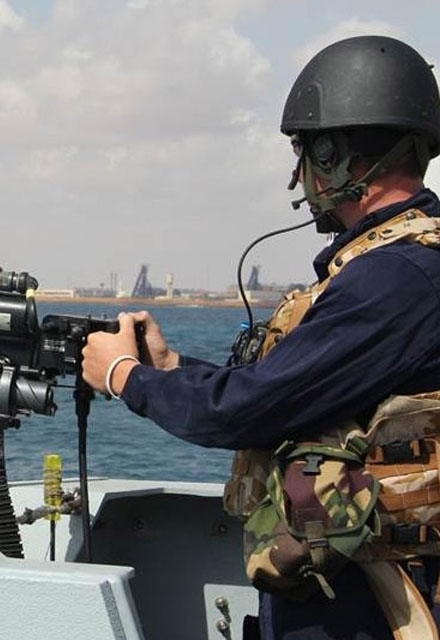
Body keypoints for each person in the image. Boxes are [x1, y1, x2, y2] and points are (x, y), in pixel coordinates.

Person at [81, 35, 440, 640]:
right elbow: (286, 390)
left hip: (369, 606)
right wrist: (171, 367)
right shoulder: (399, 266)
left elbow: (246, 411)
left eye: (304, 151)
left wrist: (126, 378)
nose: (299, 174)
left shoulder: (393, 279)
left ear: (334, 154)